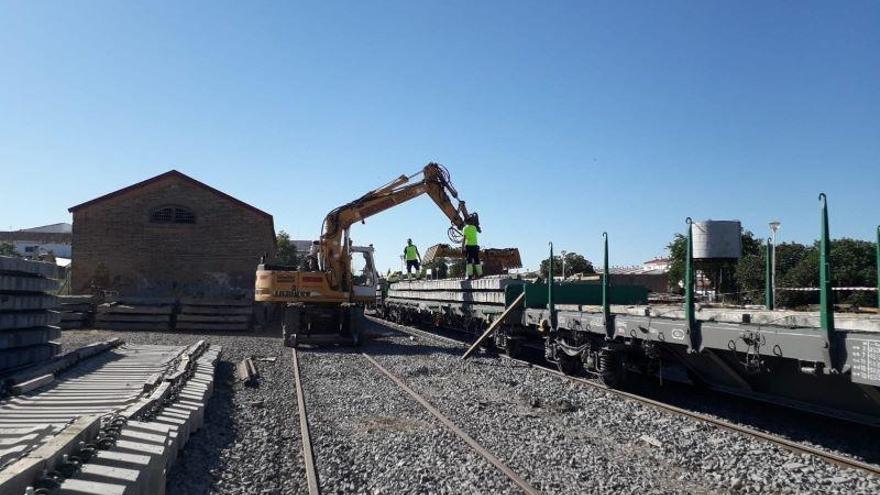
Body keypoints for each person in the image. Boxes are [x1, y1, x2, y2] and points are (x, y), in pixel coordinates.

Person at [462, 214, 482, 279]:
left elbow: (464, 239)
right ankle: (480, 274)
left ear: (466, 222)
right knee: (477, 260)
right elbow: (479, 231)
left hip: (469, 246)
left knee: (469, 261)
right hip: (475, 246)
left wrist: (462, 248)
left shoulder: (465, 228)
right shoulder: (474, 228)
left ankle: (469, 275)